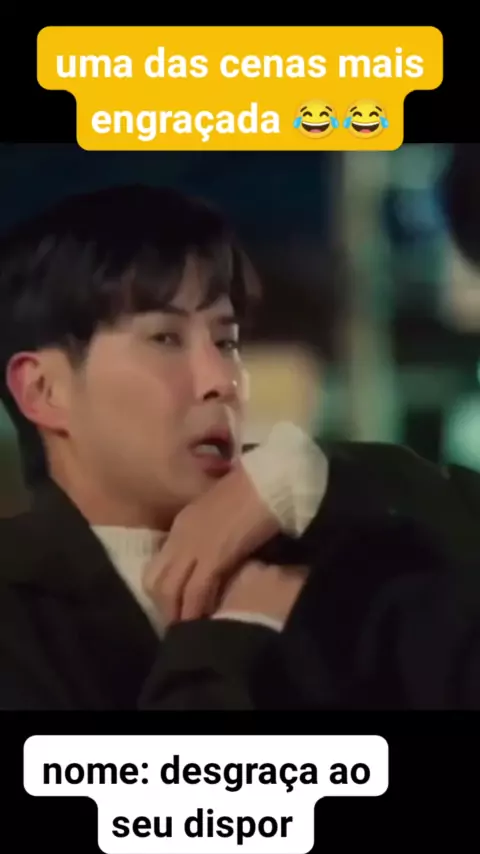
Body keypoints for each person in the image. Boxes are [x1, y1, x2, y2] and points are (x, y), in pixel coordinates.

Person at [0, 184, 479, 710]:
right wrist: (235, 635)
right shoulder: (19, 613)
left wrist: (316, 478)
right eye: (165, 338)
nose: (221, 381)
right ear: (44, 390)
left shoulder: (314, 551)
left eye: (226, 342)